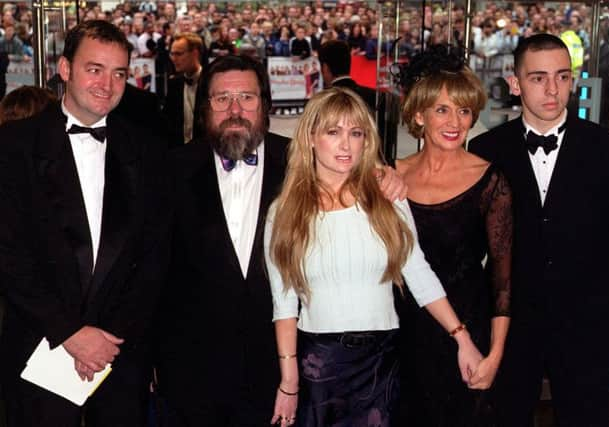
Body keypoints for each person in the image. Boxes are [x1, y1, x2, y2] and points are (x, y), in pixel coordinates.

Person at [156, 55, 406, 427]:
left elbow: (355, 169)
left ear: (266, 104)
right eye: (222, 99)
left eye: (247, 98)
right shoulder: (169, 169)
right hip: (191, 371)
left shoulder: (302, 164)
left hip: (279, 370)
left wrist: (386, 177)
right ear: (205, 107)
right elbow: (153, 270)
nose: (235, 109)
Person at [265, 87, 484, 427]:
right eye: (333, 132)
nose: (346, 144)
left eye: (356, 133)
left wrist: (462, 338)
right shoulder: (286, 212)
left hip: (381, 360)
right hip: (319, 363)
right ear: (310, 137)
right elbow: (284, 304)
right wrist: (289, 381)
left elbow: (418, 272)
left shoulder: (387, 197)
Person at [0, 20, 171, 427]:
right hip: (39, 349)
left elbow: (155, 257)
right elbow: (8, 255)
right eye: (94, 69)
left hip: (118, 355)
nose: (107, 84)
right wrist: (71, 333)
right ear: (64, 69)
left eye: (119, 74)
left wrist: (105, 340)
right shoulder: (13, 147)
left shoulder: (149, 151)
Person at [468, 33, 609, 427]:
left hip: (588, 323)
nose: (552, 89)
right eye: (538, 78)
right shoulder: (484, 152)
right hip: (509, 327)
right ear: (515, 84)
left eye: (562, 77)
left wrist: (580, 276)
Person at [393, 45, 512, 426]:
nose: (455, 121)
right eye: (442, 109)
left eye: (463, 110)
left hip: (468, 325)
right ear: (418, 114)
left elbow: (503, 282)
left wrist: (494, 356)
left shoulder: (491, 181)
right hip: (402, 329)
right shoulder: (389, 175)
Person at [164, 32, 204, 148]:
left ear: (195, 53)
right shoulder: (174, 84)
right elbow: (167, 121)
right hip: (179, 152)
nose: (174, 59)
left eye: (179, 54)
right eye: (172, 54)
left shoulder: (211, 83)